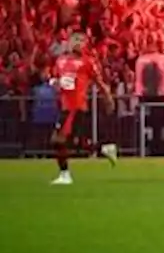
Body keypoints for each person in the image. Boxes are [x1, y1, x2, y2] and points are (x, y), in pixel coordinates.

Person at [51, 33, 118, 185]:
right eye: (76, 40)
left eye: (82, 41)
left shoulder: (87, 62)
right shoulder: (60, 61)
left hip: (76, 106)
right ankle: (104, 149)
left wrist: (108, 98)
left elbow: (99, 82)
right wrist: (55, 83)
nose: (78, 43)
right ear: (69, 42)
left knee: (57, 140)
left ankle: (65, 175)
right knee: (75, 142)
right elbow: (56, 79)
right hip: (64, 105)